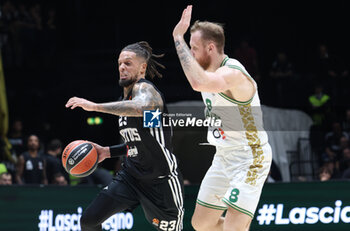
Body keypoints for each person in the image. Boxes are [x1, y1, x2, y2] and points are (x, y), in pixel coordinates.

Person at [66, 41, 184, 231]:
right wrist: (107, 152)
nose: (122, 67)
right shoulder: (124, 102)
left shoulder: (147, 90)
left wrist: (95, 106)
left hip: (160, 181)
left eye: (128, 63)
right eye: (120, 63)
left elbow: (141, 107)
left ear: (142, 67)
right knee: (89, 221)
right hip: (131, 177)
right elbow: (142, 141)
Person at [173, 6, 272, 231]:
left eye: (194, 48)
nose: (191, 53)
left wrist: (178, 37)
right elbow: (200, 79)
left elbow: (198, 83)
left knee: (233, 228)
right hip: (224, 156)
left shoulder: (233, 73)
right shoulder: (207, 71)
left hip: (250, 158)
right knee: (201, 224)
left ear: (211, 48)